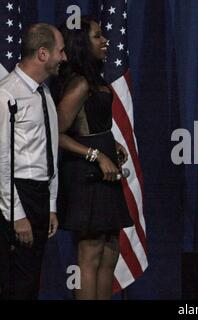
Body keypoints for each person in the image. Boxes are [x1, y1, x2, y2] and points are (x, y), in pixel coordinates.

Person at [52, 17, 133, 300]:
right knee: (90, 251)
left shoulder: (94, 78)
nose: (105, 41)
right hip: (85, 174)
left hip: (103, 169)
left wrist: (113, 148)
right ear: (82, 44)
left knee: (110, 249)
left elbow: (94, 124)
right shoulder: (79, 84)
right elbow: (57, 134)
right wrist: (96, 155)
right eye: (98, 36)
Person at [0, 23, 65, 299]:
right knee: (16, 285)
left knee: (31, 283)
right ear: (42, 53)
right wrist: (17, 215)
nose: (64, 57)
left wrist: (50, 203)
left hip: (38, 196)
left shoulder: (43, 92)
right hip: (17, 198)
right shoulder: (7, 94)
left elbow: (48, 151)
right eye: (60, 51)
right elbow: (1, 160)